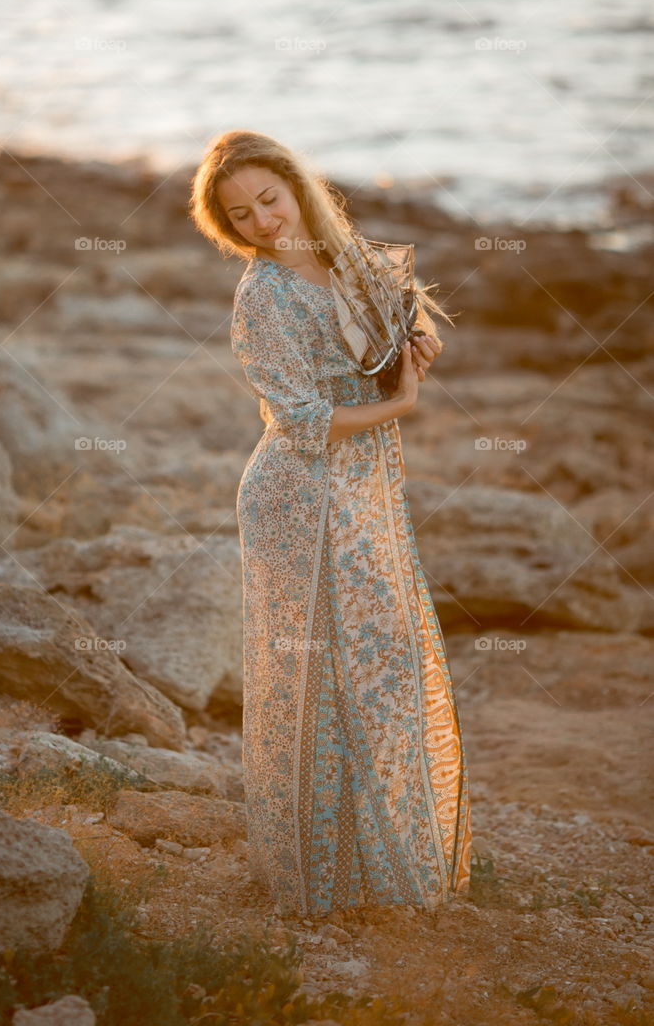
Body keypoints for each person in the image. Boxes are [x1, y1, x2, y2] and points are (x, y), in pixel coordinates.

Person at [190, 129, 472, 920]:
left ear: (295, 186)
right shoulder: (261, 296)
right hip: (298, 495)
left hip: (365, 488)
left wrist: (415, 349)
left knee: (381, 667)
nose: (262, 221)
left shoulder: (353, 259)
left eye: (268, 199)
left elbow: (387, 348)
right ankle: (321, 881)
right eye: (241, 215)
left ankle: (386, 869)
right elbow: (301, 418)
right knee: (313, 682)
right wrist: (400, 407)